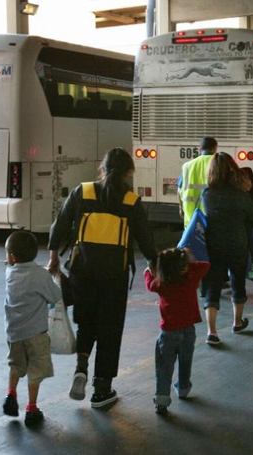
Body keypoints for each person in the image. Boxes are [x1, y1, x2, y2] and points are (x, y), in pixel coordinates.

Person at [47, 148, 156, 410]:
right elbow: (146, 240)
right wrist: (156, 266)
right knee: (110, 328)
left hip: (82, 272)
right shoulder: (131, 201)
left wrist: (52, 258)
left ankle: (81, 367)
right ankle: (102, 389)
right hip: (114, 276)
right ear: (128, 173)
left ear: (102, 168)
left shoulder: (82, 192)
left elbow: (59, 225)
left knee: (87, 322)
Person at [202, 153, 253, 345]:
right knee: (238, 283)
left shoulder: (207, 194)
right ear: (232, 170)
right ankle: (237, 322)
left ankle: (212, 332)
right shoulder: (240, 196)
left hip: (214, 246)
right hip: (238, 244)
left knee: (213, 287)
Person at [2, 231, 61, 427]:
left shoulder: (9, 273)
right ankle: (32, 408)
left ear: (12, 256)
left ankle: (11, 394)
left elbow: (14, 267)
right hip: (36, 333)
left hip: (14, 333)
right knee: (35, 371)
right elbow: (54, 297)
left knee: (16, 365)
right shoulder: (41, 275)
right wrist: (51, 278)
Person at [144, 248, 210, 414]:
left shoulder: (160, 283)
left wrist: (148, 271)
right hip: (189, 331)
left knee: (164, 367)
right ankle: (183, 388)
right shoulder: (191, 277)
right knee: (185, 361)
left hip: (168, 333)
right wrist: (189, 262)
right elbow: (205, 265)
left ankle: (162, 401)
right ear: (184, 266)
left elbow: (149, 284)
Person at [178, 137, 217, 226]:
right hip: (212, 219)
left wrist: (181, 208)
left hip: (191, 221)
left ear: (200, 149)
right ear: (215, 148)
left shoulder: (187, 166)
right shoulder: (218, 164)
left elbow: (179, 191)